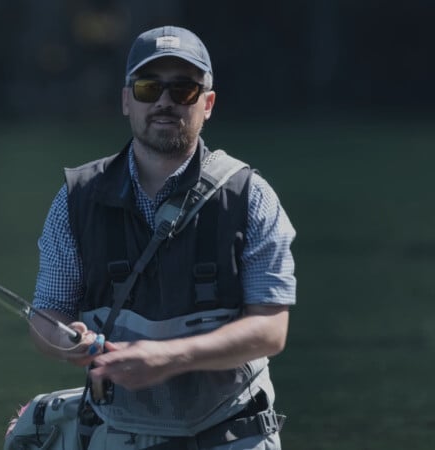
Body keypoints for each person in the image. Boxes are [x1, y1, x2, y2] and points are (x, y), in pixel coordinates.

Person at [29, 25, 296, 449]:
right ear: (126, 101)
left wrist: (168, 359)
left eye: (184, 90)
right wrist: (67, 343)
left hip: (230, 432)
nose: (165, 102)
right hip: (118, 431)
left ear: (207, 104)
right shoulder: (75, 201)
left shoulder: (250, 197)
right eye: (149, 87)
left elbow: (270, 330)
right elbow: (48, 315)